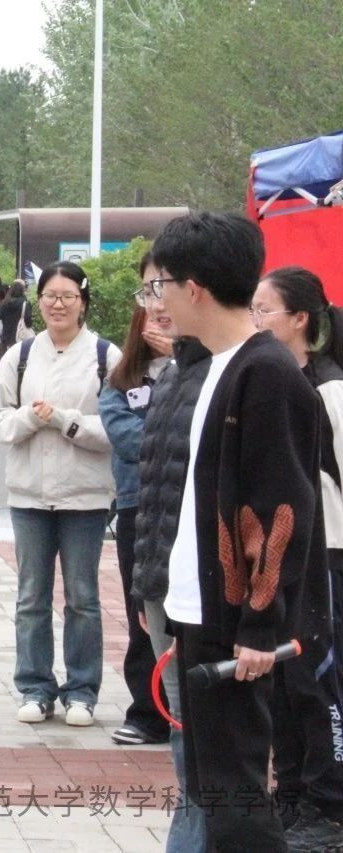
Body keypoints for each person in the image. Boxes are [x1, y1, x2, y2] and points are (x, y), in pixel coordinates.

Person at [152, 212, 322, 852]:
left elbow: (281, 512)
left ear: (192, 288)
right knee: (212, 788)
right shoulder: (215, 365)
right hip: (201, 608)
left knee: (238, 796)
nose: (157, 301)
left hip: (236, 621)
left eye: (161, 285)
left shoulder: (265, 372)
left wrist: (259, 625)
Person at [0, 260, 120, 727]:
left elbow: (120, 428)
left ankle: (82, 691)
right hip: (29, 497)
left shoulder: (105, 356)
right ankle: (35, 687)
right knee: (31, 597)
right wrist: (29, 419)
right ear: (38, 301)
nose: (58, 305)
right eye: (50, 296)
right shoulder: (20, 355)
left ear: (84, 301)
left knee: (82, 597)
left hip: (85, 497)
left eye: (68, 297)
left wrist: (65, 421)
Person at [251, 266, 343, 851]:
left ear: (301, 319)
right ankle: (289, 797)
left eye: (264, 310)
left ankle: (329, 807)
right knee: (282, 683)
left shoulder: (331, 391)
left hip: (327, 557)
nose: (255, 319)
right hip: (283, 556)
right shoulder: (272, 383)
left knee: (318, 682)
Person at [132, 254, 211, 853]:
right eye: (145, 291)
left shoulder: (234, 373)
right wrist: (145, 585)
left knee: (207, 730)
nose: (153, 304)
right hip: (164, 581)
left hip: (208, 590)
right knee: (185, 722)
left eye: (160, 288)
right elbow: (154, 491)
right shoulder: (173, 375)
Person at [98, 265, 175, 748]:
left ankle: (187, 708)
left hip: (188, 505)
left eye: (168, 308)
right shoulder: (124, 378)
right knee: (142, 609)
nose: (160, 313)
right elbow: (127, 438)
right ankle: (147, 710)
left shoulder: (204, 368)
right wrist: (170, 438)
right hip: (137, 505)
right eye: (150, 303)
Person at [0, 281, 28, 352]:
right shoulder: (24, 303)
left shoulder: (4, 303)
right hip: (20, 336)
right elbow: (28, 322)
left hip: (6, 336)